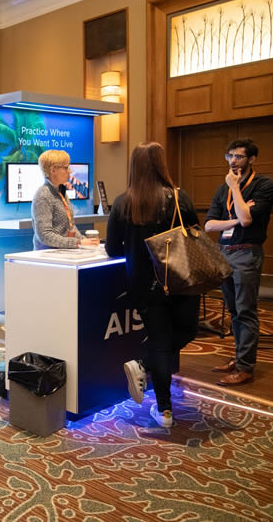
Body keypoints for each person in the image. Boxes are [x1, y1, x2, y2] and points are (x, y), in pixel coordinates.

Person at [105, 142, 200, 428]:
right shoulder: (180, 199)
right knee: (184, 332)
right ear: (161, 164)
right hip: (181, 280)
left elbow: (113, 248)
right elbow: (194, 236)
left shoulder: (123, 202)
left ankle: (146, 367)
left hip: (145, 285)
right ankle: (164, 408)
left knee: (161, 342)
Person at [204, 138, 273, 386]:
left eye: (239, 156)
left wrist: (235, 188)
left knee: (245, 311)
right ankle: (238, 357)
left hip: (247, 254)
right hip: (223, 252)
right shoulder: (221, 189)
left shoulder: (264, 185)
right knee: (233, 310)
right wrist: (235, 218)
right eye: (230, 156)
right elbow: (209, 225)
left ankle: (245, 367)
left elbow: (247, 219)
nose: (233, 161)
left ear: (252, 159)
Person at [31, 150, 87, 250]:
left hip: (62, 253)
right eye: (66, 168)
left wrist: (84, 241)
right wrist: (79, 243)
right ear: (53, 170)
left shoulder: (61, 191)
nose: (70, 171)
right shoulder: (43, 195)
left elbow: (70, 226)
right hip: (47, 256)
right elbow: (44, 235)